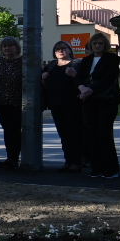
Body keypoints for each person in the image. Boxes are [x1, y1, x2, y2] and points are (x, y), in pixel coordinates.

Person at [77, 33, 120, 179]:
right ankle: (96, 168)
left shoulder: (112, 59)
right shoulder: (86, 60)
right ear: (91, 45)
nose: (97, 46)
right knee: (91, 135)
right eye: (95, 43)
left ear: (105, 45)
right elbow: (79, 77)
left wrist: (90, 90)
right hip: (88, 101)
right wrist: (82, 88)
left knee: (104, 134)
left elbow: (108, 78)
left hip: (106, 101)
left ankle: (111, 169)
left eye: (100, 43)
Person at [41, 40, 84, 172]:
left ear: (70, 50)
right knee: (63, 134)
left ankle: (77, 162)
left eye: (63, 48)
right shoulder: (51, 65)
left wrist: (74, 75)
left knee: (74, 133)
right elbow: (45, 85)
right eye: (57, 49)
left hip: (73, 104)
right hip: (56, 104)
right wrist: (43, 78)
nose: (60, 50)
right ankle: (68, 161)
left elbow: (83, 80)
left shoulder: (77, 63)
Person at [0, 36, 25, 170]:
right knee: (8, 130)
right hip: (0, 102)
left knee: (15, 131)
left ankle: (14, 159)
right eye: (5, 46)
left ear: (16, 47)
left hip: (18, 102)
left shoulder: (23, 62)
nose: (7, 48)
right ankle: (11, 158)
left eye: (10, 45)